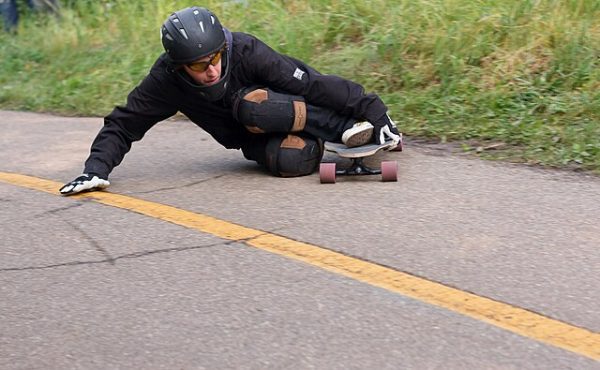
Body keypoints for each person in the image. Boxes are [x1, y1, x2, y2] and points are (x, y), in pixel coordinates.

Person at [59, 6, 401, 195]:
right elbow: (123, 123)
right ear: (180, 67)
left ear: (223, 47)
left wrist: (370, 106)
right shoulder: (165, 81)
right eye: (198, 65)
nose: (211, 70)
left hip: (284, 104)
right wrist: (95, 170)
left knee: (254, 104)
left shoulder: (248, 51)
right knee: (290, 160)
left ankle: (346, 128)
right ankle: (326, 142)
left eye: (216, 58)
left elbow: (311, 84)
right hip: (252, 138)